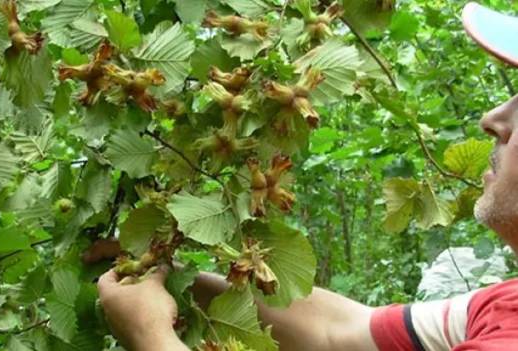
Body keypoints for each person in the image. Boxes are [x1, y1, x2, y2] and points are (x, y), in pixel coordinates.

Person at [97, 2, 518, 350]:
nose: (493, 118)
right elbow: (338, 333)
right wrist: (173, 275)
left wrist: (149, 335)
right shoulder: (506, 305)